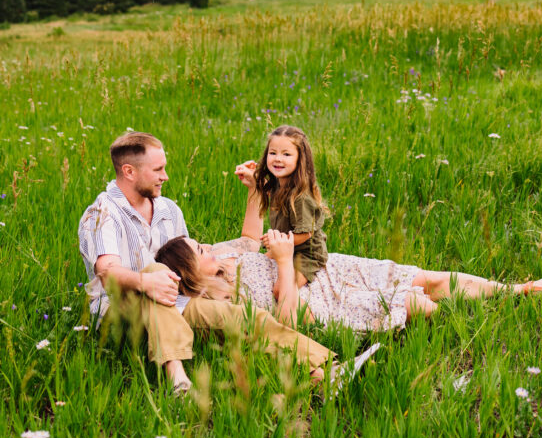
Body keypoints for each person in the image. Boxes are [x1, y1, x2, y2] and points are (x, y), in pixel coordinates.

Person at [77, 132, 362, 395]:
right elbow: (107, 272)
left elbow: (187, 260)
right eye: (158, 170)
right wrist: (145, 282)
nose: (165, 176)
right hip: (125, 303)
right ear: (129, 171)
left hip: (176, 299)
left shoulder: (166, 208)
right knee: (155, 271)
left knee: (248, 317)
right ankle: (176, 375)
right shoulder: (103, 214)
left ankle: (326, 370)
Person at [155, 160, 542, 333]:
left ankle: (515, 292)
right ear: (192, 273)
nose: (208, 246)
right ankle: (475, 329)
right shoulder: (225, 301)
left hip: (329, 270)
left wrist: (252, 192)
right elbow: (288, 321)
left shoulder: (226, 258)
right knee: (418, 304)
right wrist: (280, 261)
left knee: (424, 277)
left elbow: (247, 239)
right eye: (200, 250)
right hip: (323, 301)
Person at [254, 126, 328, 289]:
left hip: (306, 254)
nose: (278, 159)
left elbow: (305, 234)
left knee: (282, 290)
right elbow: (263, 189)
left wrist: (276, 241)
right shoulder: (277, 184)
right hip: (285, 247)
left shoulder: (301, 197)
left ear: (300, 159)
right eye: (273, 153)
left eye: (286, 154)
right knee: (254, 267)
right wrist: (251, 174)